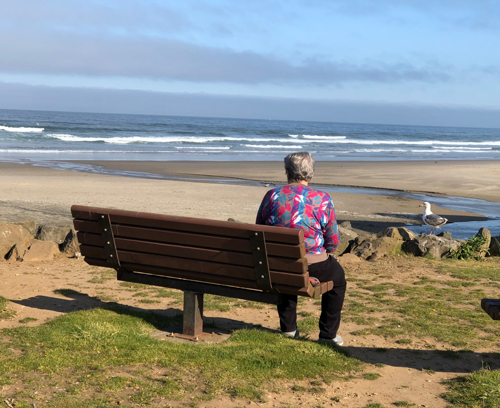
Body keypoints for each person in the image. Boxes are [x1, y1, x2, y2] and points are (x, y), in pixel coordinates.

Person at [256, 152, 346, 345]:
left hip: (279, 263)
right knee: (337, 279)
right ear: (310, 174)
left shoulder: (272, 195)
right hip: (313, 265)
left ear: (287, 173)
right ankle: (328, 335)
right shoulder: (322, 199)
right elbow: (332, 242)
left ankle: (289, 329)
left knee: (287, 273)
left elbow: (259, 228)